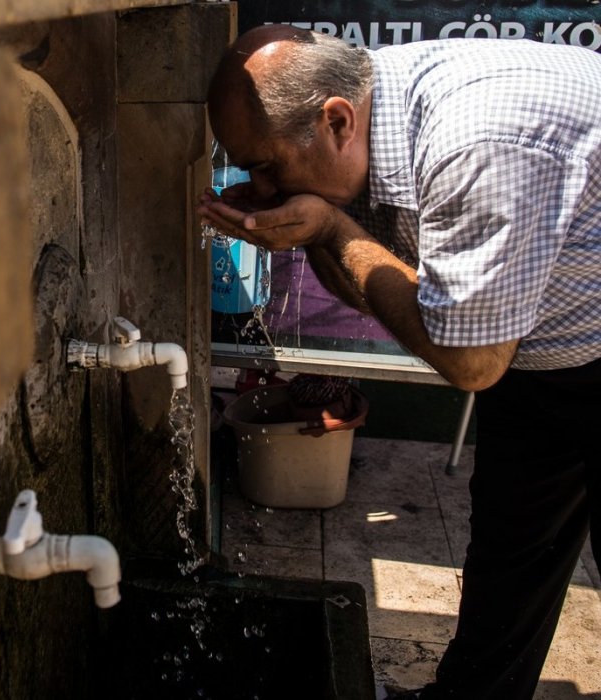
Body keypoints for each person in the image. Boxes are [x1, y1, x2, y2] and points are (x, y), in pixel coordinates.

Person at [198, 26, 601, 700]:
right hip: (549, 345)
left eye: (265, 165)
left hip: (557, 342)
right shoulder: (370, 106)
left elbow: (471, 362)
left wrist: (328, 228)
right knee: (512, 547)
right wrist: (307, 221)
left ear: (336, 120)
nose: (260, 184)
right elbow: (366, 284)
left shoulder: (474, 144)